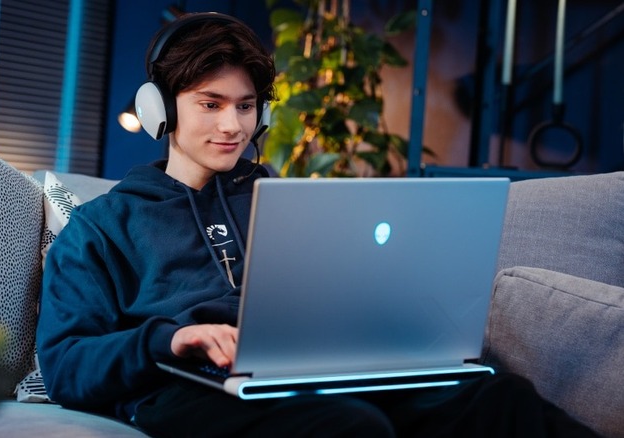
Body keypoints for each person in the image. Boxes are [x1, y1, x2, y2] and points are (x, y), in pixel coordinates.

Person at [36, 11, 599, 437]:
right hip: (184, 387)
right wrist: (171, 338)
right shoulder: (102, 225)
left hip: (306, 373)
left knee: (498, 398)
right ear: (161, 109)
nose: (233, 125)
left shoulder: (287, 202)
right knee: (348, 426)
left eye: (246, 105)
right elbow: (65, 363)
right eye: (210, 104)